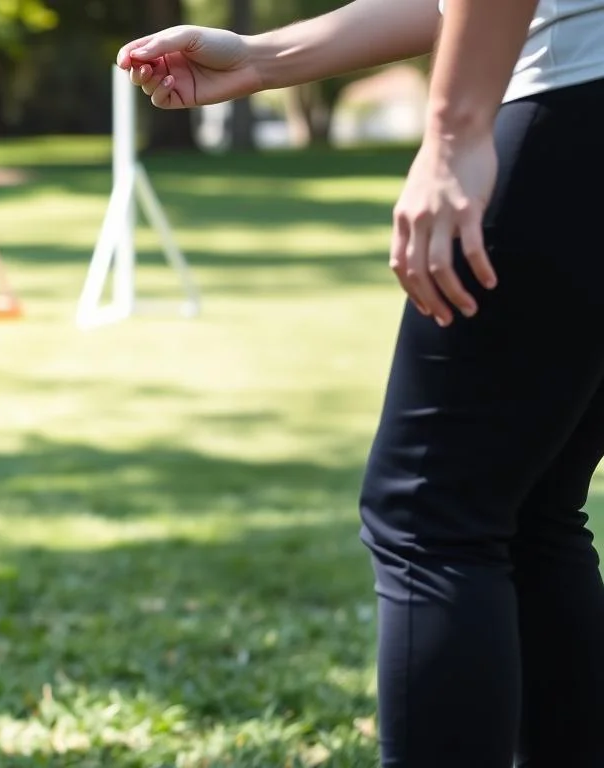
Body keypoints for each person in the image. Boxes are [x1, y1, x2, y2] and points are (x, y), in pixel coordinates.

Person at [117, 1, 604, 765]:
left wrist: (452, 136)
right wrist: (260, 58)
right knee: (533, 508)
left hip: (572, 101)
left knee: (432, 514)